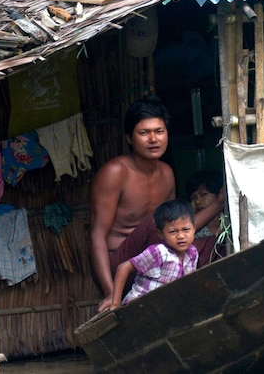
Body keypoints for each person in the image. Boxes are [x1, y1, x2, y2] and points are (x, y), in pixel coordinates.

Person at [89, 95, 222, 313]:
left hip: (157, 266)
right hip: (121, 268)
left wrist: (218, 204)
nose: (153, 139)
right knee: (157, 220)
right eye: (144, 133)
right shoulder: (115, 173)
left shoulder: (167, 174)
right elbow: (97, 236)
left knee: (215, 244)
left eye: (159, 131)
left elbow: (177, 228)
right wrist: (110, 293)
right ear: (130, 138)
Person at [109, 199, 198, 309]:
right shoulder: (158, 252)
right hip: (138, 308)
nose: (180, 236)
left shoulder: (192, 254)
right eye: (173, 232)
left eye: (185, 229)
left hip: (164, 310)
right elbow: (123, 268)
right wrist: (115, 304)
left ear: (194, 228)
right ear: (160, 234)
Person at [186, 169, 229, 262]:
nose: (197, 201)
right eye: (193, 197)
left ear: (220, 194)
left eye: (204, 194)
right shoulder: (193, 232)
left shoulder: (231, 223)